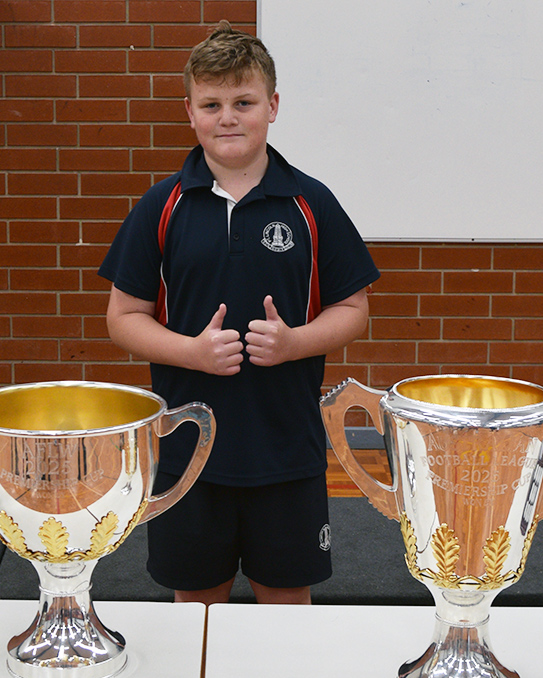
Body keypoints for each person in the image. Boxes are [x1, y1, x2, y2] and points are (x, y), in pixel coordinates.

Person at [99, 22, 380, 606]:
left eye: (243, 103)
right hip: (187, 452)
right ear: (190, 112)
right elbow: (122, 316)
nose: (227, 118)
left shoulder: (311, 203)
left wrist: (295, 343)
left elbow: (354, 309)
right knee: (197, 612)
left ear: (272, 107)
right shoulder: (161, 206)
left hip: (287, 452)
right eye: (212, 104)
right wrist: (191, 352)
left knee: (286, 606)